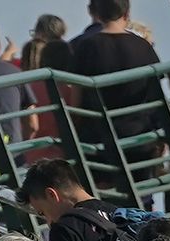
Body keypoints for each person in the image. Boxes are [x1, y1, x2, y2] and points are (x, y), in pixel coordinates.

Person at [66, 0, 163, 156]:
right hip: (140, 137)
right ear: (127, 13)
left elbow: (76, 101)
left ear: (97, 13)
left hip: (98, 139)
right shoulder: (144, 47)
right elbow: (156, 95)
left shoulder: (86, 47)